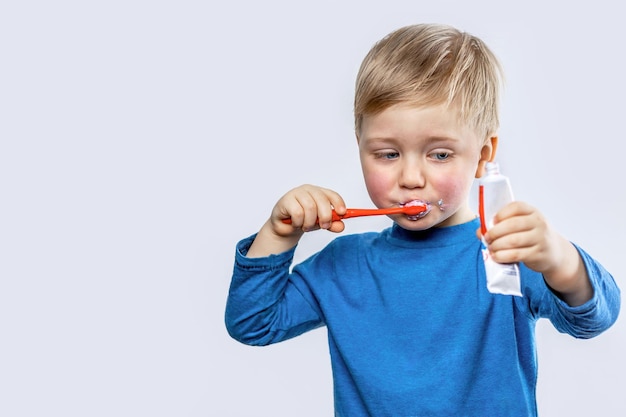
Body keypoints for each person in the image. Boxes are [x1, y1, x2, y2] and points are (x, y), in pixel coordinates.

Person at [224, 23, 620, 416]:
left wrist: (560, 261)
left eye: (440, 155)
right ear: (359, 146)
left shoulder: (507, 252)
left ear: (483, 154)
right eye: (388, 154)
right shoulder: (342, 266)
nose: (411, 178)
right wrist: (279, 234)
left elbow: (594, 319)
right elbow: (253, 323)